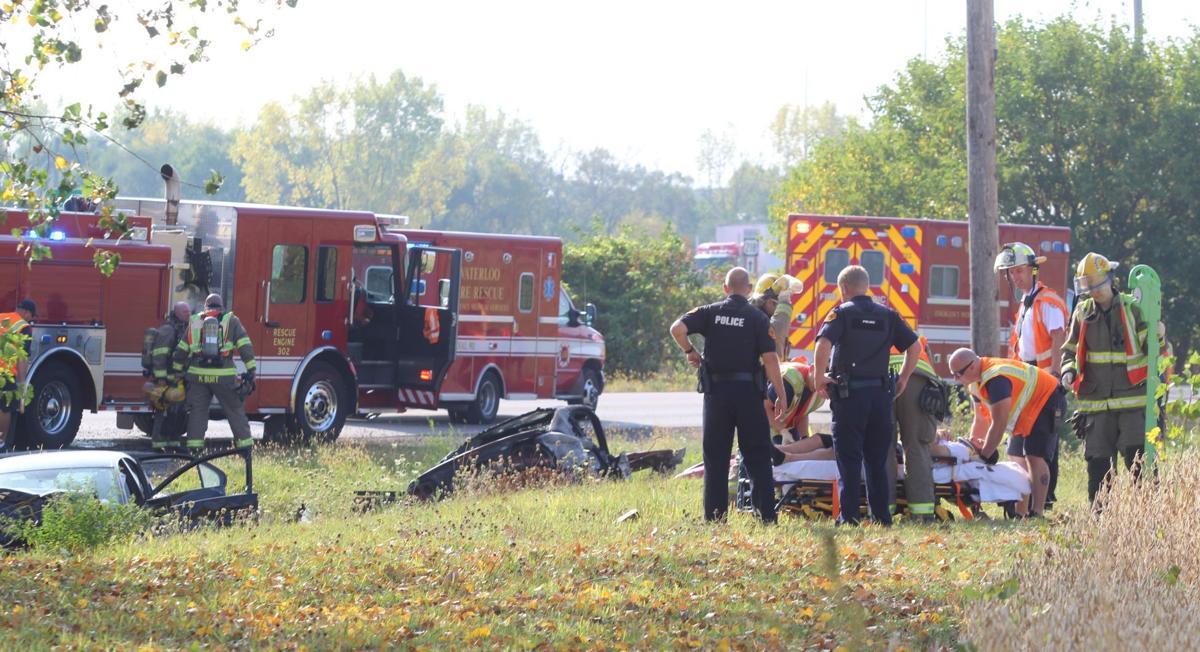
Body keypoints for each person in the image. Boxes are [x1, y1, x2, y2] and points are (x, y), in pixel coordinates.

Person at [670, 267, 786, 523]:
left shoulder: (709, 312)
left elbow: (677, 329)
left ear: (725, 288)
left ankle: (715, 518)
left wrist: (690, 351)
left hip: (717, 395)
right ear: (747, 289)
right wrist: (780, 394)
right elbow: (770, 359)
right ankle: (766, 516)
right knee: (757, 455)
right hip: (748, 394)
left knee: (716, 456)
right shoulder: (758, 318)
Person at [813, 266, 920, 526]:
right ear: (866, 286)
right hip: (880, 398)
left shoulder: (840, 314)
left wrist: (818, 376)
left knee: (849, 459)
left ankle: (849, 517)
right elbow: (914, 346)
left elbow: (823, 343)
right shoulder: (888, 315)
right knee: (876, 460)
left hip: (850, 398)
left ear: (844, 288)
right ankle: (882, 518)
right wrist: (904, 377)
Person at [1060, 252, 1150, 504]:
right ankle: (1101, 522)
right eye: (1088, 286)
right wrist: (1068, 370)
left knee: (1139, 463)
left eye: (1097, 284)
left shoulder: (1133, 309)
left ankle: (1149, 521)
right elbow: (1070, 350)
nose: (1094, 291)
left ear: (1110, 279)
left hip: (1132, 402)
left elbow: (1153, 349)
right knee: (1098, 468)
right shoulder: (1082, 312)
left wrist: (1160, 335)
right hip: (1096, 406)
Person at [994, 242, 1069, 508]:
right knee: (1018, 450)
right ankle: (1021, 506)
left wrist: (1057, 375)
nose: (1016, 277)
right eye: (1011, 273)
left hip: (1044, 383)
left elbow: (1058, 336)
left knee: (1038, 450)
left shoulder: (1047, 301)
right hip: (1027, 384)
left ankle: (1041, 504)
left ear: (1034, 270)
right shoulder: (1026, 304)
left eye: (1020, 271)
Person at [948, 348, 1061, 517]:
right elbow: (980, 420)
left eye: (958, 374)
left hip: (1047, 399)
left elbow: (999, 423)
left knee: (1034, 455)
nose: (955, 379)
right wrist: (974, 447)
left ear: (971, 367)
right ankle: (1020, 513)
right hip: (1027, 411)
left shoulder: (995, 379)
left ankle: (1037, 512)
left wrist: (984, 456)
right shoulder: (975, 384)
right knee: (1016, 458)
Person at [171, 293, 257, 451]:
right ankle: (245, 450)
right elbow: (245, 345)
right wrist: (251, 370)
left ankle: (194, 450)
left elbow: (181, 350)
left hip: (197, 376)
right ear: (222, 306)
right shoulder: (231, 320)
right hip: (224, 376)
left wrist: (176, 372)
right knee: (234, 410)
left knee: (197, 412)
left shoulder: (195, 321)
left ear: (205, 306)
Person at [889, 336, 941, 521]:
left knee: (881, 448)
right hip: (917, 379)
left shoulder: (870, 330)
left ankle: (882, 512)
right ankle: (922, 513)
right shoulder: (917, 338)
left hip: (881, 380)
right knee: (917, 447)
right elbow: (934, 374)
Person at [147, 301, 192, 450]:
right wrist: (161, 379)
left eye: (189, 312)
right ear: (177, 313)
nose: (189, 314)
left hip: (179, 378)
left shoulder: (184, 329)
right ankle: (157, 443)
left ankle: (173, 442)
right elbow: (159, 356)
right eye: (185, 312)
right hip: (166, 379)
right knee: (163, 410)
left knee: (178, 412)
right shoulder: (168, 330)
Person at [0, 300, 35, 450]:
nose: (30, 320)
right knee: (5, 407)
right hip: (5, 372)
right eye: (31, 317)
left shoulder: (2, 317)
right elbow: (22, 359)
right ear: (27, 312)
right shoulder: (24, 327)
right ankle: (1, 442)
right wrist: (22, 385)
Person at [763, 360, 824, 443]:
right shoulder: (791, 380)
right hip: (765, 422)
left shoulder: (820, 389)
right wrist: (782, 431)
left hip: (786, 426)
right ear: (812, 368)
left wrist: (804, 438)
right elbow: (764, 407)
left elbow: (803, 413)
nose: (820, 383)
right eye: (819, 376)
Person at [750, 273, 803, 360]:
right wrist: (785, 303)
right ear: (769, 302)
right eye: (776, 304)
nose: (777, 309)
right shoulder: (761, 323)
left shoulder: (754, 317)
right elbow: (778, 330)